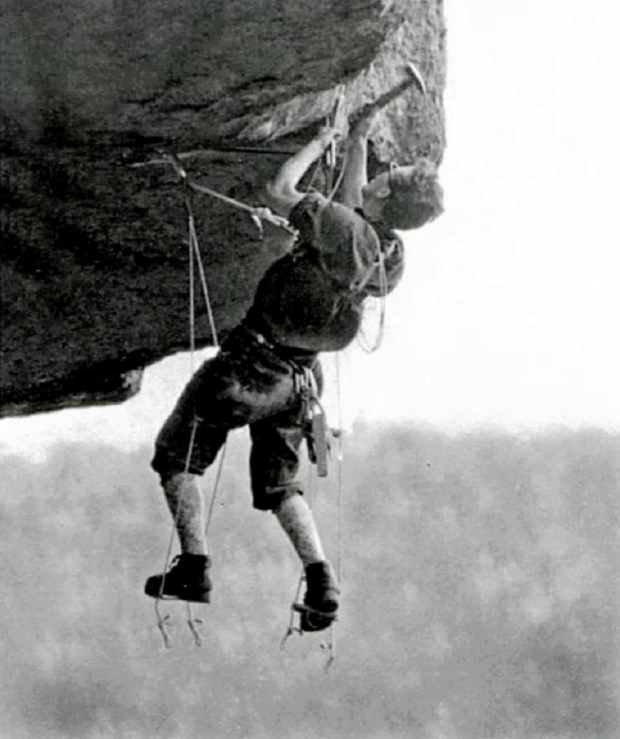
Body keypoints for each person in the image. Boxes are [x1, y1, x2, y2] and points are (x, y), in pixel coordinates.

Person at [144, 93, 443, 632]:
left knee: (176, 458)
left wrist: (318, 143)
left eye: (387, 174)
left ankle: (193, 567)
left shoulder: (348, 231)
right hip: (298, 382)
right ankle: (321, 577)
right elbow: (354, 211)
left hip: (248, 366)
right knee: (282, 486)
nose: (381, 172)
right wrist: (356, 140)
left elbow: (280, 191)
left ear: (385, 192)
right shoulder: (389, 254)